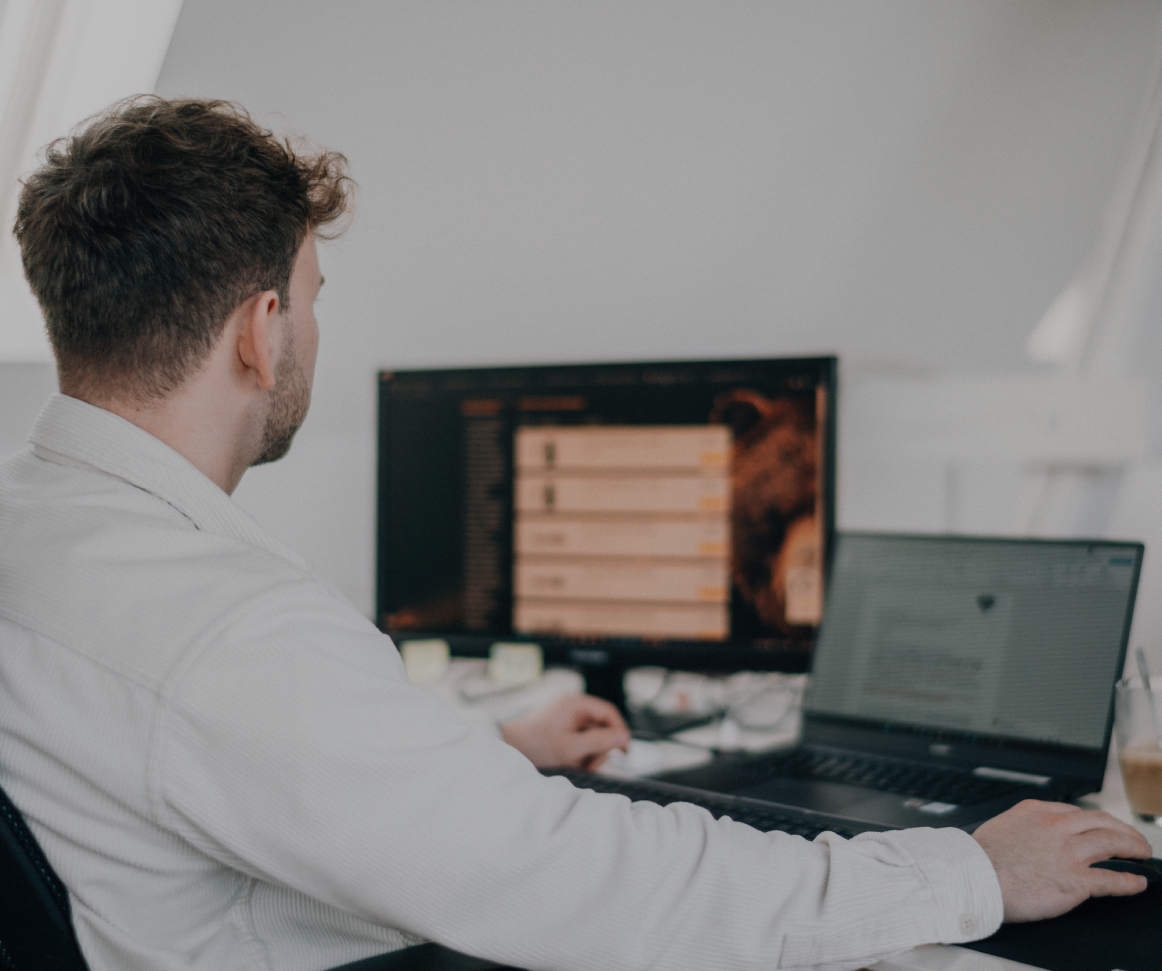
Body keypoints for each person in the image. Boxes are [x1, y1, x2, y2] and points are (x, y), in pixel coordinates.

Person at [0, 97, 1151, 971]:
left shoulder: (36, 533)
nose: (310, 326)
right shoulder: (229, 626)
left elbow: (232, 786)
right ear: (261, 331)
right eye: (310, 295)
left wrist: (482, 762)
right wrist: (966, 870)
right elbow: (577, 882)